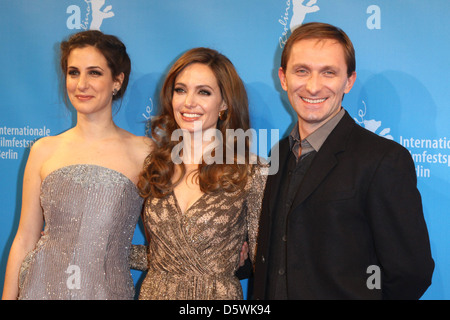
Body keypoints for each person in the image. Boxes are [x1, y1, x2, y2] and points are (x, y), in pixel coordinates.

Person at [252, 22, 434, 299]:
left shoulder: (384, 159)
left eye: (328, 73)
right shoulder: (279, 154)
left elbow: (410, 273)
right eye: (302, 71)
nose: (313, 87)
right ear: (283, 78)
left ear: (348, 81)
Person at [2, 30, 152, 300]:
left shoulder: (144, 152)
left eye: (94, 73)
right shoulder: (43, 149)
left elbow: (165, 239)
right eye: (73, 73)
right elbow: (25, 238)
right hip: (40, 289)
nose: (81, 84)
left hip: (108, 291)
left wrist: (113, 251)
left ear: (117, 80)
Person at [135, 47, 267, 300]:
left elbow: (263, 259)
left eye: (203, 92)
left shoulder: (251, 171)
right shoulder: (154, 164)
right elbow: (160, 255)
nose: (188, 102)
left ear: (225, 103)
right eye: (180, 90)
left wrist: (233, 262)